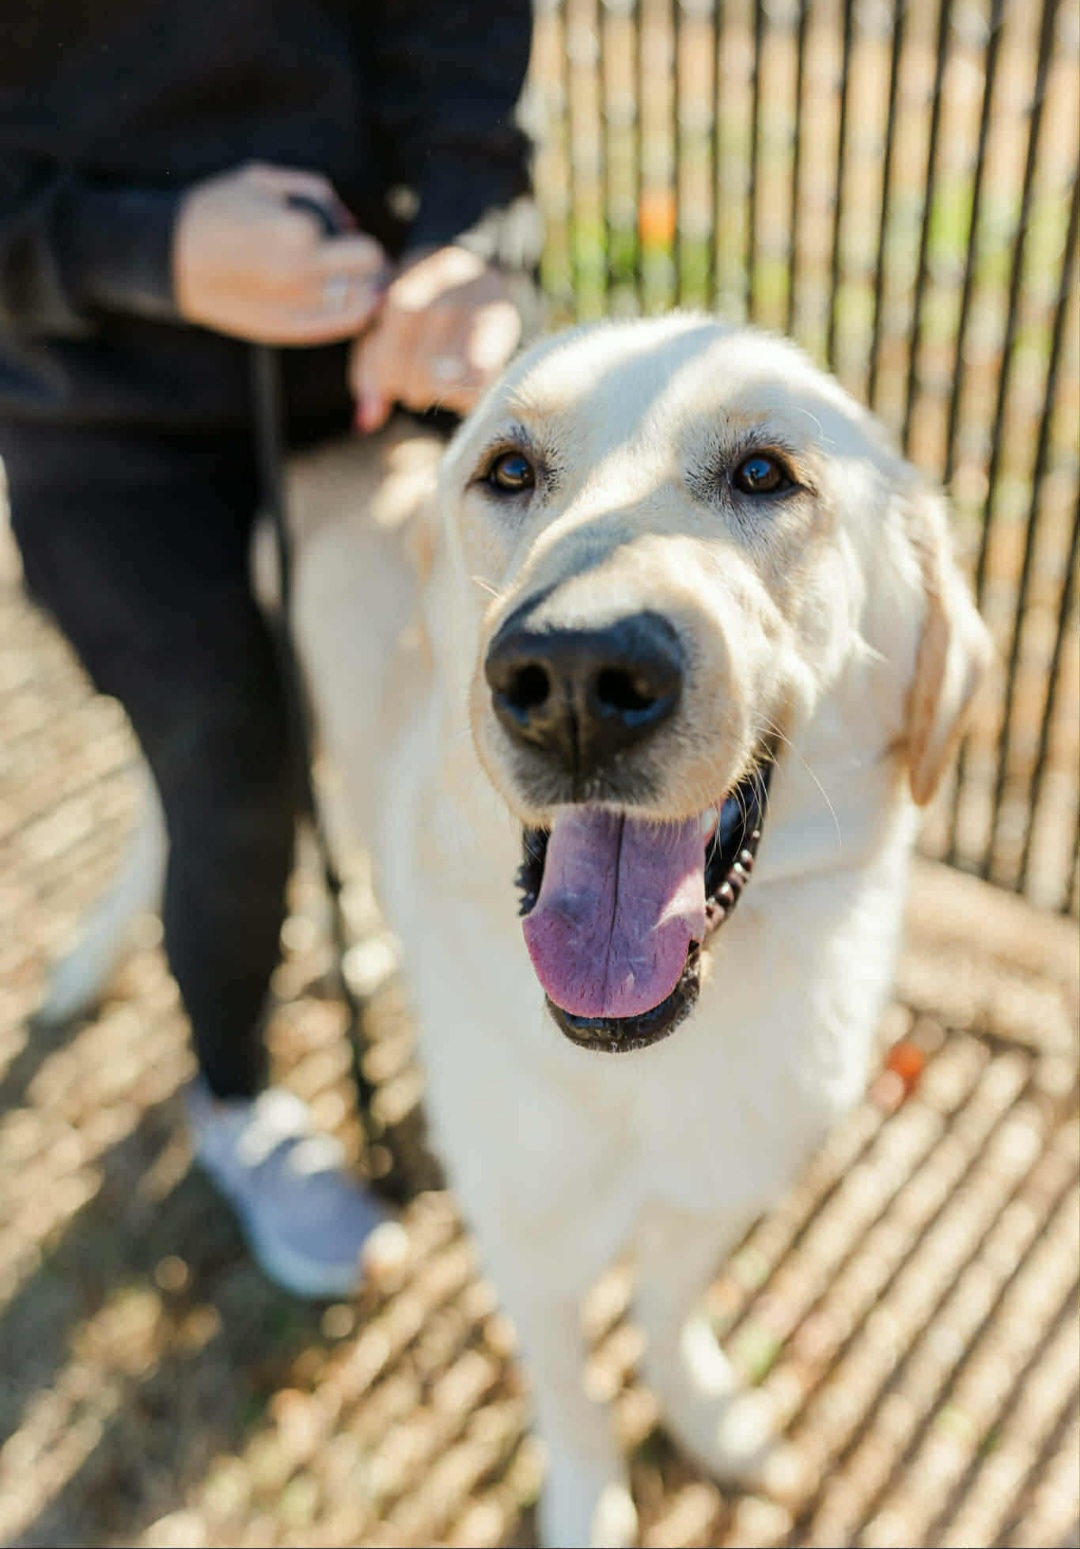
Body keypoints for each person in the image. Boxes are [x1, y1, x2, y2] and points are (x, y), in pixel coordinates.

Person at [0, 2, 540, 1298]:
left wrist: (468, 252)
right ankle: (235, 1097)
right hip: (99, 428)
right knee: (233, 765)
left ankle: (515, 1014)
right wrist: (152, 251)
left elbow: (466, 84)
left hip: (363, 391)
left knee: (465, 704)